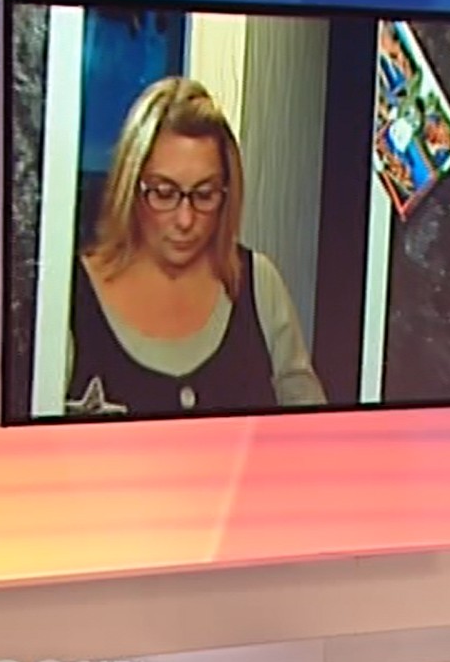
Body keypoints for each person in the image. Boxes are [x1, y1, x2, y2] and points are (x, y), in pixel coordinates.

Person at [64, 76, 327, 417]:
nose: (186, 219)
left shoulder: (259, 285)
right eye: (164, 193)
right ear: (131, 188)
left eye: (204, 195)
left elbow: (312, 434)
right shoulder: (69, 299)